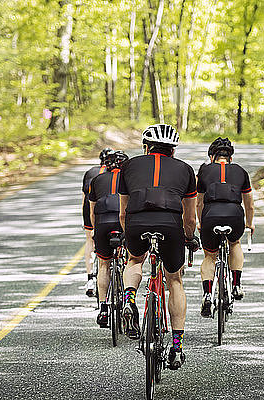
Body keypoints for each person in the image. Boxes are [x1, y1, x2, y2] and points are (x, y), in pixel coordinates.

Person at [118, 124, 199, 370]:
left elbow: (123, 212)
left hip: (137, 221)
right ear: (173, 151)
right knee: (174, 280)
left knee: (134, 261)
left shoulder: (129, 166)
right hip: (170, 224)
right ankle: (177, 346)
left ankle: (129, 298)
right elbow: (191, 217)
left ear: (145, 148)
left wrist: (127, 235)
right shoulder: (185, 170)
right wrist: (189, 238)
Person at [196, 137, 254, 318]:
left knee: (209, 256)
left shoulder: (204, 171)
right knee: (234, 243)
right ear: (230, 157)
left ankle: (207, 293)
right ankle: (236, 284)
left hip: (210, 215)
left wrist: (200, 222)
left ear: (212, 156)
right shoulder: (241, 171)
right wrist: (249, 223)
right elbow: (249, 204)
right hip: (234, 214)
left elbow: (198, 203)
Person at [88, 151, 128, 327]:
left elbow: (91, 213)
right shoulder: (129, 180)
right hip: (121, 221)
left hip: (102, 222)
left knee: (104, 264)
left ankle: (103, 307)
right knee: (131, 261)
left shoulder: (96, 180)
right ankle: (128, 301)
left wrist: (95, 232)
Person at [81, 147, 112, 297]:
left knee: (89, 240)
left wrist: (87, 221)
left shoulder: (90, 172)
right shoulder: (114, 174)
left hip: (89, 206)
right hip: (109, 208)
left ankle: (90, 278)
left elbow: (83, 198)